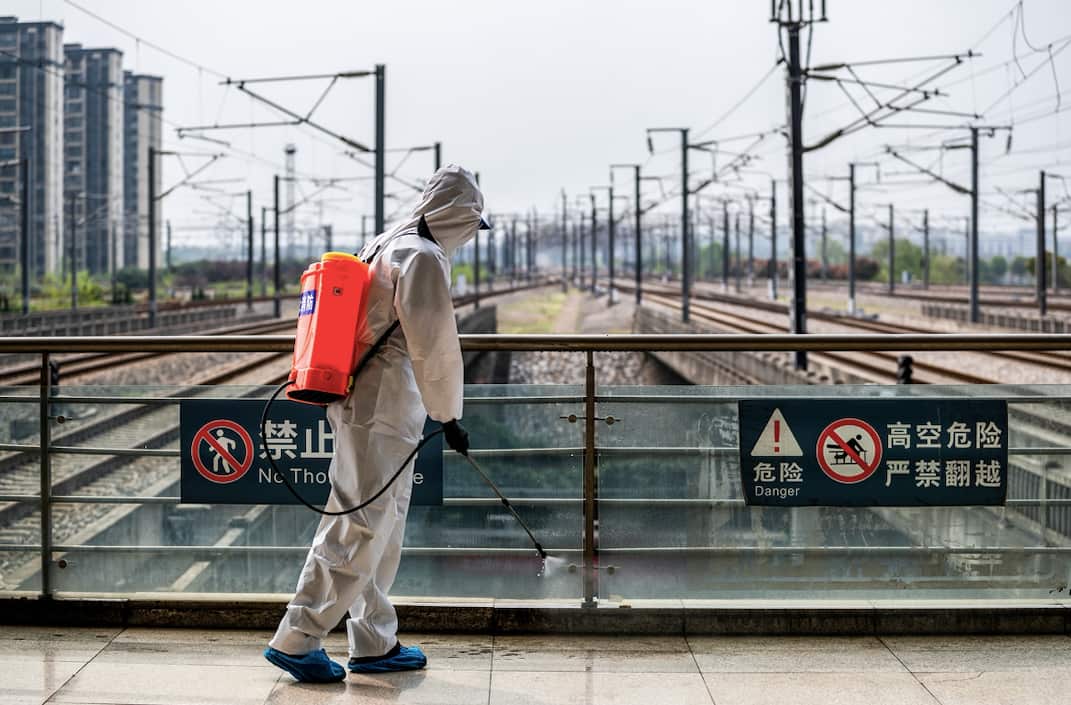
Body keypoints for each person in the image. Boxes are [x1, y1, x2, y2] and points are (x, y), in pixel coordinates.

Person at [264, 164, 487, 683]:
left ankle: (374, 640)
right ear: (462, 217)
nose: (472, 236)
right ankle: (297, 639)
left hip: (366, 401)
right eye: (473, 226)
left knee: (380, 527)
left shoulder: (388, 241)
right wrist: (449, 415)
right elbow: (434, 346)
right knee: (359, 522)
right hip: (382, 408)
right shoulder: (423, 257)